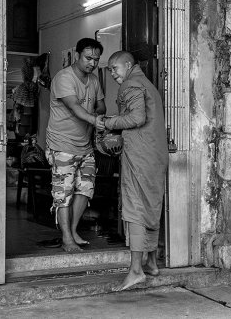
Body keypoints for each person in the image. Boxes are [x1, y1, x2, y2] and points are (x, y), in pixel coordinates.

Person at [96, 51, 168, 292]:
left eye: (114, 68)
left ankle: (136, 271)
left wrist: (108, 122)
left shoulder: (131, 83)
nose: (113, 74)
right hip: (155, 155)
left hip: (140, 154)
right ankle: (152, 262)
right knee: (151, 204)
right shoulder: (148, 85)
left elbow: (136, 117)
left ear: (127, 65)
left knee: (135, 208)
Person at [45, 38, 106, 252]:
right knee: (63, 195)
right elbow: (75, 109)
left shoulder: (94, 79)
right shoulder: (64, 78)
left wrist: (98, 115)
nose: (92, 63)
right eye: (88, 58)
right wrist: (95, 120)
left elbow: (101, 105)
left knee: (85, 190)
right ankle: (67, 239)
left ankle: (72, 231)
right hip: (61, 145)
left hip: (85, 147)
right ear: (77, 55)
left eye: (96, 60)